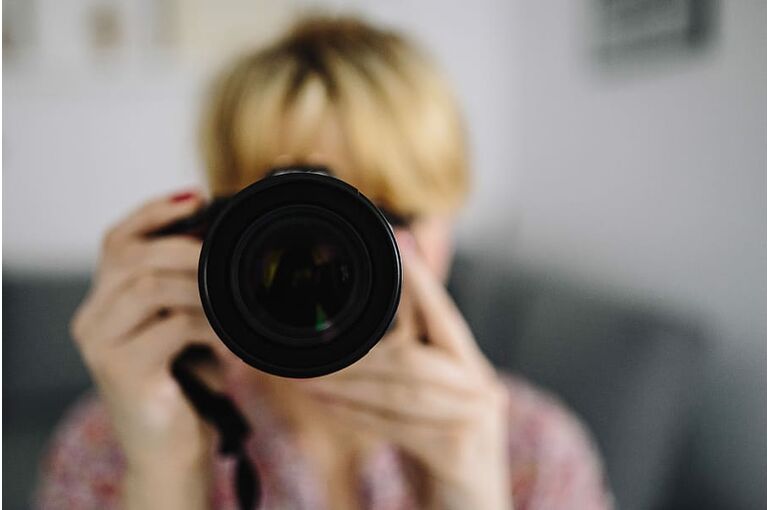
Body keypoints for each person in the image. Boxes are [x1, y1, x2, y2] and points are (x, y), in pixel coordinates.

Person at [36, 15, 612, 510]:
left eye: (387, 214)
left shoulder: (530, 449)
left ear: (450, 221)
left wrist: (471, 492)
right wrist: (164, 474)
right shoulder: (119, 436)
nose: (336, 254)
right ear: (218, 229)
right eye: (298, 216)